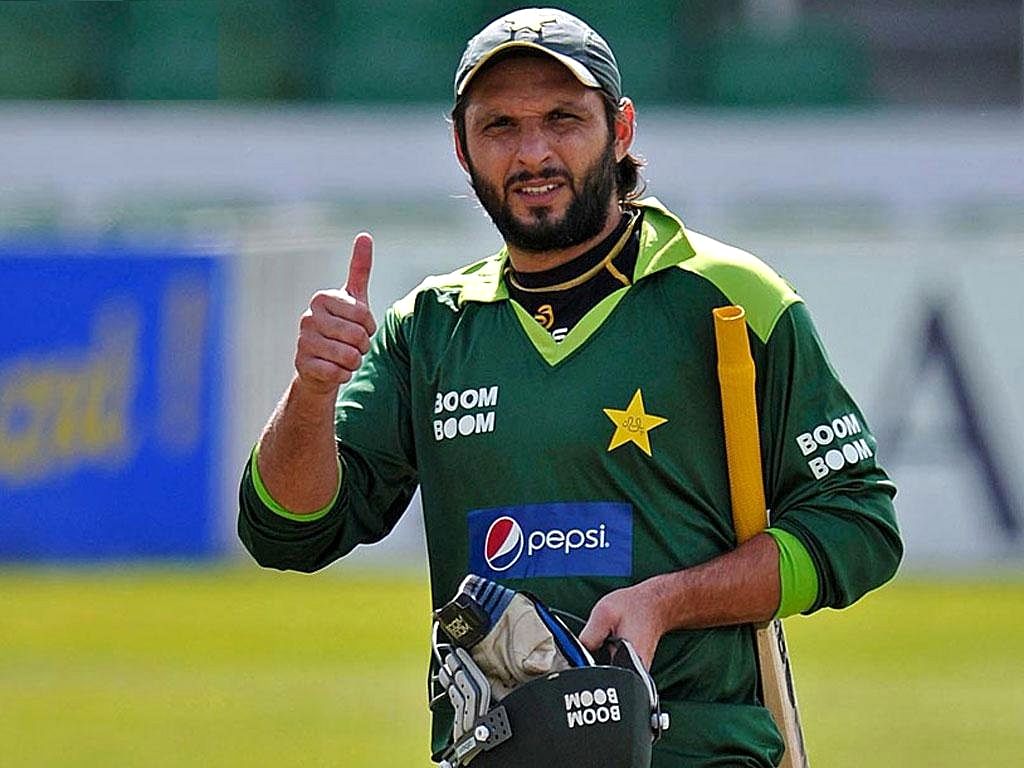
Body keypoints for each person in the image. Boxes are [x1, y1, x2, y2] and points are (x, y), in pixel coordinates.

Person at [238, 7, 903, 767]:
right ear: (461, 148)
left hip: (697, 753)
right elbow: (288, 532)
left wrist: (667, 602)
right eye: (500, 127)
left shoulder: (728, 300)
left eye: (563, 119)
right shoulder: (429, 329)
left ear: (620, 130)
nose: (534, 153)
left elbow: (859, 527)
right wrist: (313, 392)